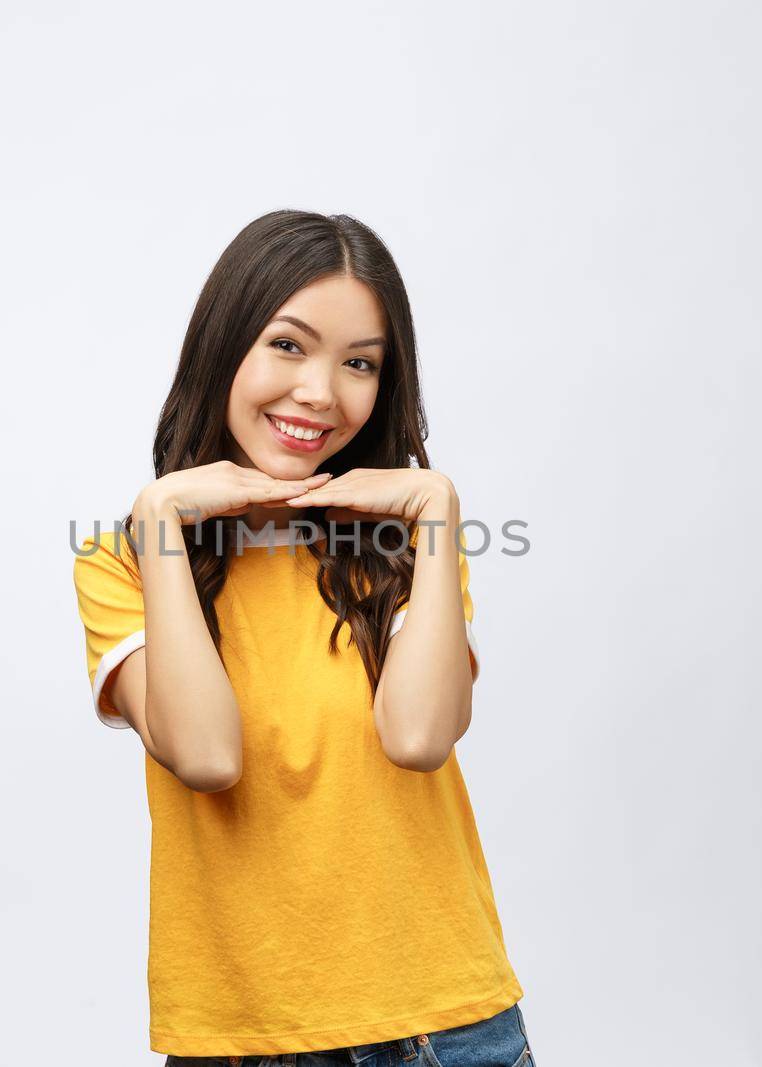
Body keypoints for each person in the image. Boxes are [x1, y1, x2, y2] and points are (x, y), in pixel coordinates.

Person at [71, 209, 535, 1066]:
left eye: (359, 362)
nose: (322, 392)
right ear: (225, 345)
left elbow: (421, 736)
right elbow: (206, 754)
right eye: (289, 344)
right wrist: (162, 515)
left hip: (444, 1024)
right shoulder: (123, 564)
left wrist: (437, 510)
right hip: (239, 1041)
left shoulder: (404, 553)